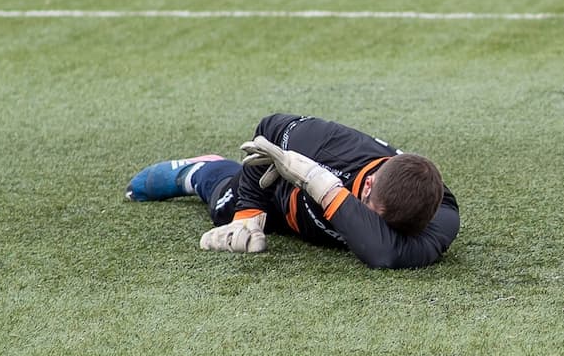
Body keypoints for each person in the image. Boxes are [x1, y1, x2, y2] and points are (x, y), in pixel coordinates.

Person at [125, 113, 459, 270]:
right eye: (372, 214)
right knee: (224, 209)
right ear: (369, 184)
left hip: (309, 187)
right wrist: (249, 215)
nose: (367, 223)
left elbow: (382, 253)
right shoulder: (330, 144)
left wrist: (318, 181)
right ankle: (199, 170)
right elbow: (268, 130)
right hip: (282, 190)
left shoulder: (440, 212)